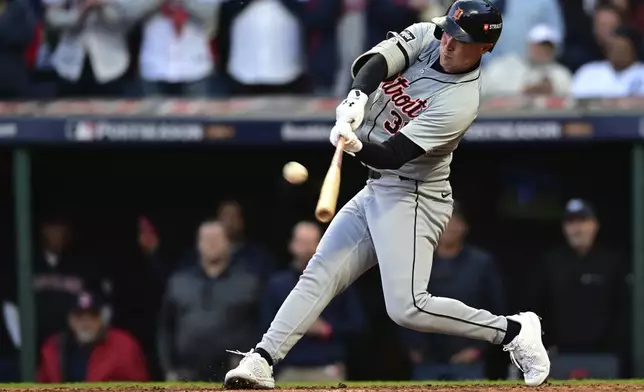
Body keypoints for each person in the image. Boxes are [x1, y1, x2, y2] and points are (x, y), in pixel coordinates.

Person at [224, 0, 550, 388]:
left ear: (485, 47)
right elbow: (376, 63)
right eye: (448, 31)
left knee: (408, 308)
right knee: (320, 270)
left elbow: (396, 154)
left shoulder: (460, 102)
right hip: (376, 185)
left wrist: (356, 145)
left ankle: (513, 331)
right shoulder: (431, 33)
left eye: (460, 40)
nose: (447, 42)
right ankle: (262, 360)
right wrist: (357, 98)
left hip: (413, 194)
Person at [37, 292, 149, 382]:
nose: (86, 323)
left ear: (102, 319)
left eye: (92, 317)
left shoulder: (123, 345)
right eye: (80, 317)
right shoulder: (53, 347)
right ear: (70, 320)